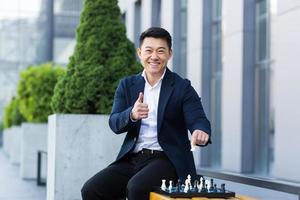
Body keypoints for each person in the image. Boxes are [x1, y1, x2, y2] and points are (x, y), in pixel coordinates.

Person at [81, 27, 211, 200]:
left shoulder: (182, 87)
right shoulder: (127, 85)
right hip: (132, 158)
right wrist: (132, 114)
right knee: (91, 189)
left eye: (161, 51)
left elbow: (198, 119)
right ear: (139, 53)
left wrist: (200, 130)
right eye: (148, 51)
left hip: (167, 160)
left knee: (136, 188)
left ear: (169, 54)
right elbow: (114, 122)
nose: (154, 56)